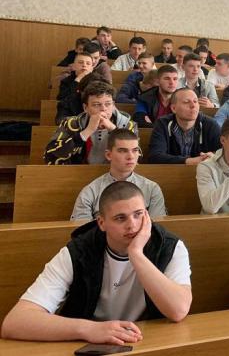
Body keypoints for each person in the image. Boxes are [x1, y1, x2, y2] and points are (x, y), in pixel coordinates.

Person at [0, 182, 191, 343]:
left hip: (147, 341)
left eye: (138, 214)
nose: (132, 225)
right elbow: (15, 322)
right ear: (101, 223)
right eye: (120, 218)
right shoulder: (77, 251)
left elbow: (178, 310)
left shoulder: (169, 246)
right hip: (90, 345)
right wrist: (88, 329)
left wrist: (136, 254)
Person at [71, 129, 167, 221]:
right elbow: (82, 229)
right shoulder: (90, 192)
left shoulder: (152, 189)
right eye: (123, 151)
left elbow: (158, 227)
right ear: (109, 155)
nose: (131, 156)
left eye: (135, 150)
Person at [44, 82, 137, 165]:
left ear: (113, 105)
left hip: (115, 174)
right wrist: (87, 131)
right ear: (85, 108)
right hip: (77, 173)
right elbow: (51, 154)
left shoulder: (128, 125)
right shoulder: (71, 123)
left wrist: (114, 130)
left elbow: (136, 157)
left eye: (108, 104)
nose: (103, 109)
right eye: (96, 105)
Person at [148, 88, 221, 165]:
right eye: (186, 102)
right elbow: (155, 156)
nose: (193, 106)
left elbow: (223, 153)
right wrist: (190, 161)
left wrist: (213, 156)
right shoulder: (163, 124)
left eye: (195, 101)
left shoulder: (210, 125)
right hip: (169, 172)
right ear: (173, 108)